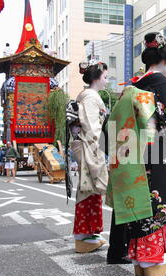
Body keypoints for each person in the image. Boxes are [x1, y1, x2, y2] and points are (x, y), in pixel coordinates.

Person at [106, 32, 166, 276]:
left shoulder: (134, 86)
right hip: (157, 151)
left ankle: (139, 260)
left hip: (133, 154)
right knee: (156, 202)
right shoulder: (163, 84)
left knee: (139, 204)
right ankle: (151, 262)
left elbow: (113, 124)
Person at [69, 60, 109, 253]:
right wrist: (96, 152)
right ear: (97, 78)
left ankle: (88, 233)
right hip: (90, 146)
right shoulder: (91, 97)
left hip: (87, 145)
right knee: (88, 188)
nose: (107, 82)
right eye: (105, 77)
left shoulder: (87, 96)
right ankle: (84, 235)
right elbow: (92, 128)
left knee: (89, 189)